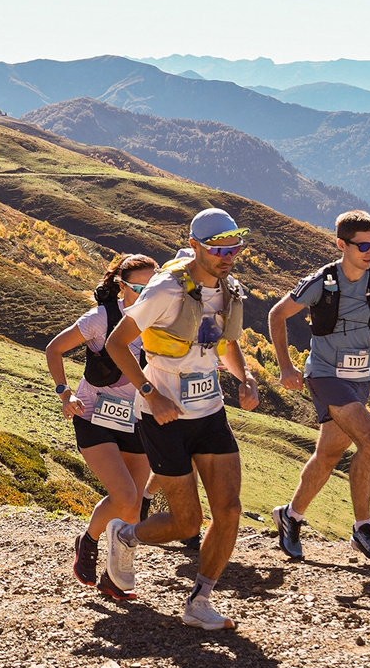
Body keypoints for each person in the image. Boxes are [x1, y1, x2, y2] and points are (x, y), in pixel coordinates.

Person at [105, 211, 265, 627]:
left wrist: (245, 377)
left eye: (234, 249)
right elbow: (116, 344)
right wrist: (150, 393)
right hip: (164, 417)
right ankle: (125, 534)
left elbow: (226, 343)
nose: (228, 257)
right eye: (218, 250)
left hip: (210, 410)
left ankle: (199, 601)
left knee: (229, 510)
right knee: (186, 521)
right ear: (195, 246)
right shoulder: (165, 289)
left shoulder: (229, 289)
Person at [267, 211, 370, 563]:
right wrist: (286, 366)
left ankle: (290, 516)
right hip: (326, 375)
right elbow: (277, 315)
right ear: (342, 244)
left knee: (328, 456)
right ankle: (363, 529)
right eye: (363, 245)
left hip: (361, 379)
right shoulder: (322, 282)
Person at [48, 254, 161, 594]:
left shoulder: (162, 321)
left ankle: (114, 578)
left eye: (153, 287)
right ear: (122, 286)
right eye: (139, 287)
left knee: (133, 508)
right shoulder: (101, 318)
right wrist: (65, 393)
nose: (146, 294)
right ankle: (89, 540)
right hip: (93, 415)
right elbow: (54, 349)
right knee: (124, 495)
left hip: (137, 418)